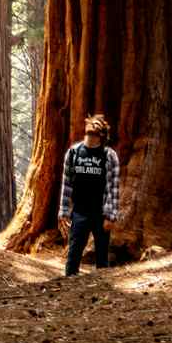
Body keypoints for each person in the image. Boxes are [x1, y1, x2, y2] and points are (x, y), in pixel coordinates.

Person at [57, 113, 120, 276]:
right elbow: (67, 184)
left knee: (102, 257)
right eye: (89, 129)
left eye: (94, 131)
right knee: (74, 253)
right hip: (79, 212)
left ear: (102, 135)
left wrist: (111, 215)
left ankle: (103, 289)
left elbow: (114, 187)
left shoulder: (109, 156)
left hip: (101, 213)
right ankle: (68, 286)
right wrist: (63, 211)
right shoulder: (73, 153)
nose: (90, 133)